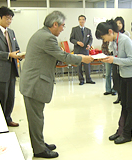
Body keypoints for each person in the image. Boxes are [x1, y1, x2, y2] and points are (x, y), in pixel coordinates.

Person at [19, 11, 93, 158]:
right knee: (36, 118)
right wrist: (82, 58)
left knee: (37, 117)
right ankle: (39, 149)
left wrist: (76, 57)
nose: (63, 29)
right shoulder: (47, 38)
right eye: (62, 26)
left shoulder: (42, 34)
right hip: (34, 84)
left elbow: (56, 56)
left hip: (32, 82)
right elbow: (63, 56)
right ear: (55, 24)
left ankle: (39, 142)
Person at [95, 19, 132, 144]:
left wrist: (114, 60)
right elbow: (116, 57)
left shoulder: (125, 40)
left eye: (104, 37)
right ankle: (120, 130)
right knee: (124, 105)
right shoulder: (114, 41)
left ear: (110, 31)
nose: (104, 40)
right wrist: (109, 58)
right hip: (124, 76)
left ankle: (127, 134)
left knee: (130, 107)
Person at [0, 6, 24, 127]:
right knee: (2, 97)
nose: (9, 21)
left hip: (12, 70)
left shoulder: (11, 32)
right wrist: (9, 55)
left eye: (11, 19)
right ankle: (0, 121)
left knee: (11, 98)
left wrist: (18, 54)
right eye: (7, 18)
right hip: (1, 71)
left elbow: (16, 47)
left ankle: (8, 118)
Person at [70, 15, 95, 85]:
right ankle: (81, 80)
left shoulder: (88, 30)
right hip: (78, 50)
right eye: (80, 19)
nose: (82, 21)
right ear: (78, 21)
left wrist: (89, 45)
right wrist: (77, 42)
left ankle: (88, 79)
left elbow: (91, 39)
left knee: (87, 65)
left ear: (85, 21)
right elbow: (71, 39)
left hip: (85, 50)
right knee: (79, 66)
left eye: (83, 19)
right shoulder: (74, 29)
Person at [111, 17, 130, 104]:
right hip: (115, 59)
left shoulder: (126, 34)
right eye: (117, 23)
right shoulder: (113, 35)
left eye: (120, 23)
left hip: (124, 60)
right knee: (116, 78)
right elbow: (110, 48)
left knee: (123, 80)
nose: (118, 25)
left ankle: (124, 97)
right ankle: (119, 96)